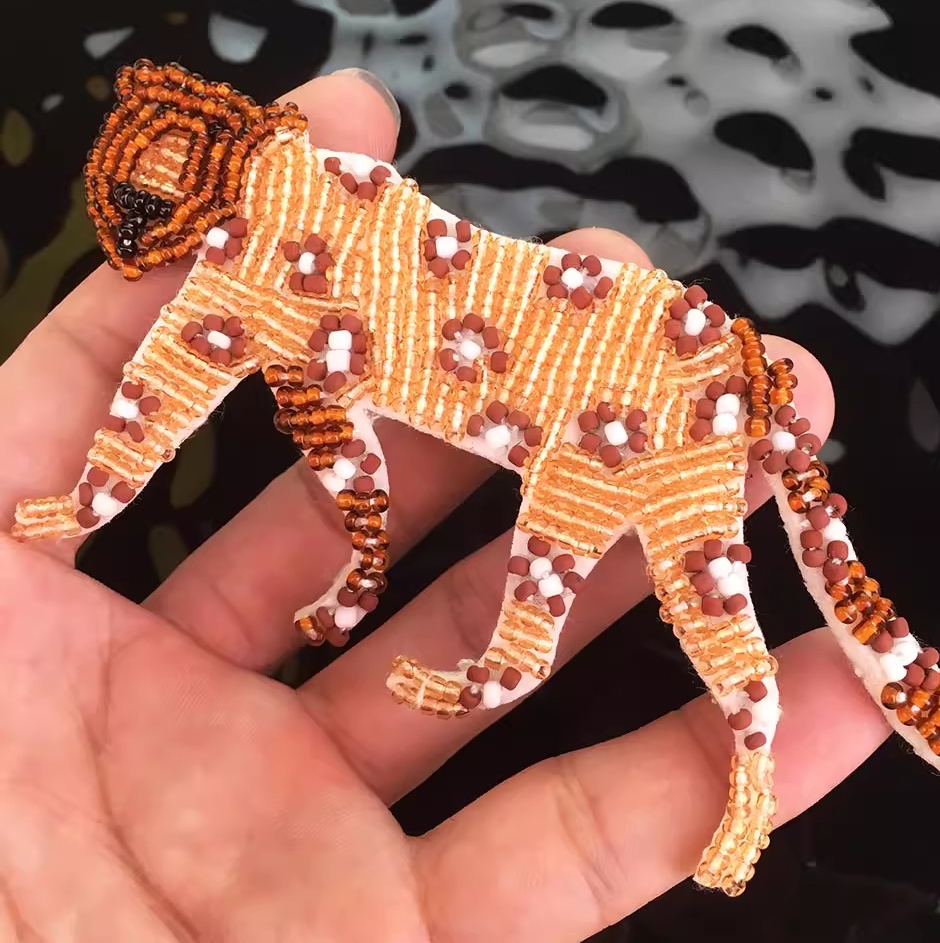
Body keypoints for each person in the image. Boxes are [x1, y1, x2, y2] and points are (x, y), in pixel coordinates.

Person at [0, 68, 889, 941]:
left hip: (631, 369)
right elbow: (230, 413)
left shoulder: (260, 253)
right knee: (665, 578)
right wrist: (85, 503)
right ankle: (698, 749)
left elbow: (164, 399)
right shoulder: (312, 200)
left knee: (689, 580)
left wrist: (87, 502)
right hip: (636, 350)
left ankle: (735, 769)